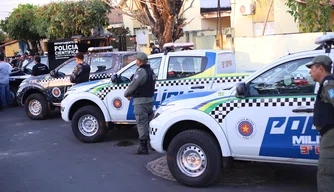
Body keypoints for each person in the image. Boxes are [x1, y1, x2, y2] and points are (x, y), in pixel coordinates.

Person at [306, 55, 334, 192]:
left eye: (312, 68)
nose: (310, 72)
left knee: (326, 175)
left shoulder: (329, 84)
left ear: (321, 68)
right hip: (329, 136)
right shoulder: (326, 84)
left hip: (331, 137)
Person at [124, 52, 156, 155]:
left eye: (137, 60)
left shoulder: (141, 72)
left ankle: (143, 147)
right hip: (150, 100)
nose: (136, 61)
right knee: (148, 122)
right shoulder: (150, 71)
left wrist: (127, 94)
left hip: (140, 101)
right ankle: (152, 144)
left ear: (141, 61)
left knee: (141, 123)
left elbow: (134, 85)